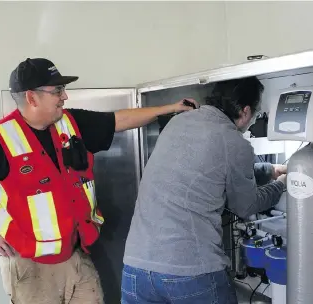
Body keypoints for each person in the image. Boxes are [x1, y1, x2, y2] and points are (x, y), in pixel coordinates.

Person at [0, 58, 198, 304]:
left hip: (76, 256)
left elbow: (119, 120)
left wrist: (170, 108)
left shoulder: (69, 123)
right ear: (32, 97)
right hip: (31, 268)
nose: (64, 96)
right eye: (57, 90)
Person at [121, 76, 286, 304]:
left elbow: (211, 170)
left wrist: (271, 170)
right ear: (246, 111)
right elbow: (246, 205)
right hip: (188, 271)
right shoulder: (233, 141)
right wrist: (282, 185)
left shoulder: (178, 122)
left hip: (136, 268)